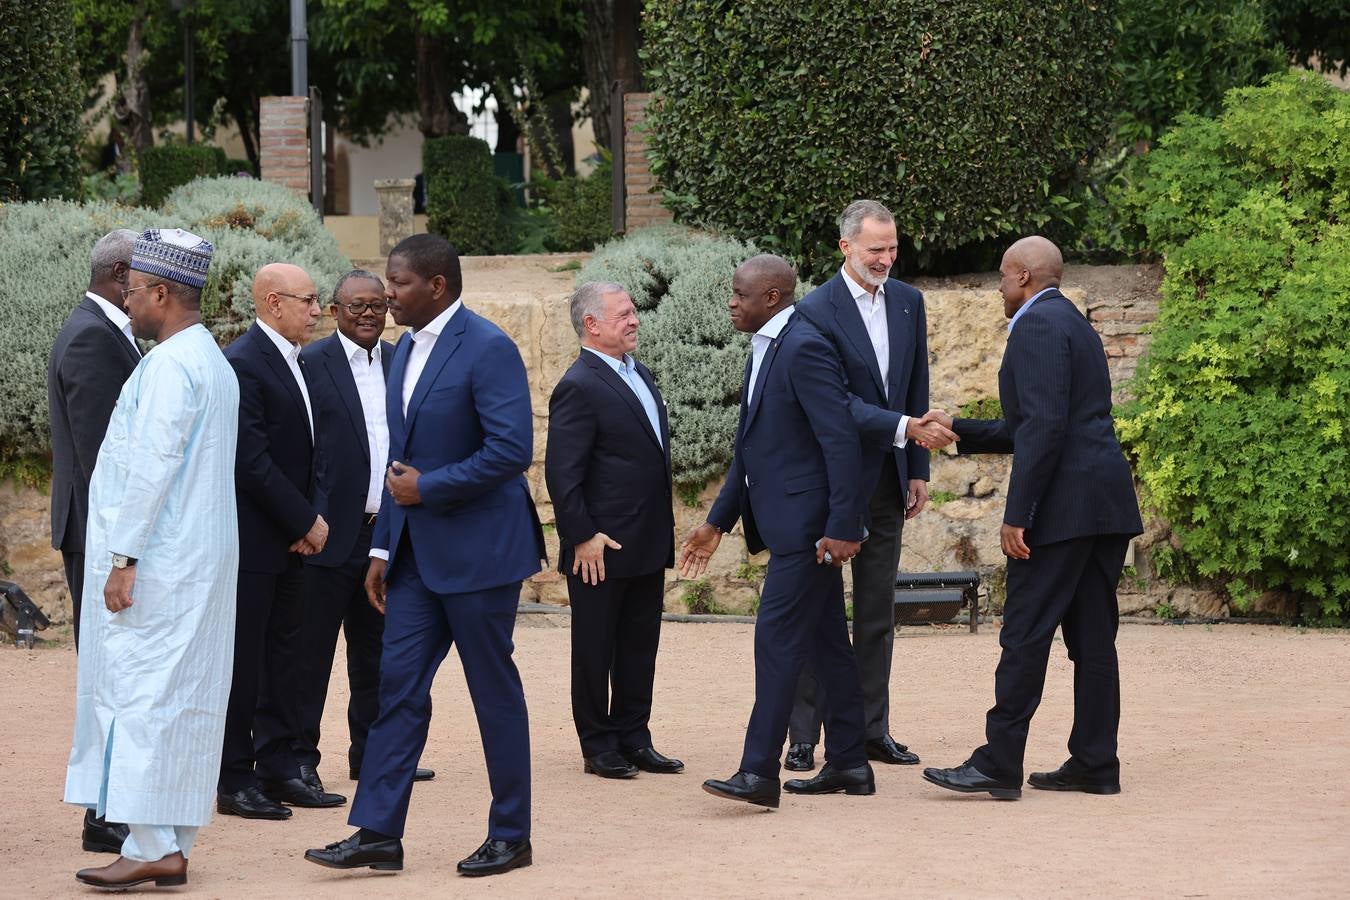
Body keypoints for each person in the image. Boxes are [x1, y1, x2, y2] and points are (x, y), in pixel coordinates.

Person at [304, 234, 545, 877]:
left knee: (493, 693)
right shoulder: (404, 347)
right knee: (396, 691)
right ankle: (378, 833)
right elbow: (397, 460)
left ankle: (511, 834)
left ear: (435, 285)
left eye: (398, 283)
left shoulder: (488, 347)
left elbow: (510, 450)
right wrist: (383, 544)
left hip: (481, 556)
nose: (386, 295)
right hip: (412, 558)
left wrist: (428, 489)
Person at [920, 236, 1143, 800]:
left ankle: (999, 762)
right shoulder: (1073, 323)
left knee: (1024, 630)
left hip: (1062, 510)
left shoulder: (1038, 326)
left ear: (1021, 275)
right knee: (1094, 639)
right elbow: (1038, 423)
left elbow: (1043, 428)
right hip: (1102, 506)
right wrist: (959, 429)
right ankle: (1095, 761)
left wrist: (1018, 513)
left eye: (1000, 276)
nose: (997, 287)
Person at [63, 228, 240, 889]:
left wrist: (122, 557)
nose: (128, 301)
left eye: (134, 291)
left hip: (161, 563)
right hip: (193, 562)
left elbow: (152, 468)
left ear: (162, 293)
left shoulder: (171, 366)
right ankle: (168, 843)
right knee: (178, 700)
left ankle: (147, 844)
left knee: (141, 698)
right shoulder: (208, 359)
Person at [681, 254, 873, 809]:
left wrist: (842, 526)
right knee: (828, 644)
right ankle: (851, 764)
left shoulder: (805, 346)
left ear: (772, 297)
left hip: (809, 531)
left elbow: (840, 441)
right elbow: (751, 451)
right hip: (793, 524)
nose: (730, 303)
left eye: (740, 294)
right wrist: (717, 521)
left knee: (776, 641)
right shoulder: (766, 345)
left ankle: (758, 772)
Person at [785, 200, 957, 773]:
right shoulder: (812, 311)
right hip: (829, 483)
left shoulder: (909, 302)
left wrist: (917, 469)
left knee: (878, 610)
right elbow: (836, 404)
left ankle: (869, 731)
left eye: (891, 248)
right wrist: (906, 428)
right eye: (874, 249)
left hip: (889, 478)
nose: (886, 258)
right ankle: (804, 735)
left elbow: (915, 384)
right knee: (819, 609)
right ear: (845, 248)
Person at [296, 270, 434, 786]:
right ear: (334, 312)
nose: (369, 314)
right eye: (356, 306)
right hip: (330, 532)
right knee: (311, 653)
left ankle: (374, 756)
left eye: (378, 305)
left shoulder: (403, 359)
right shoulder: (312, 363)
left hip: (390, 532)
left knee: (381, 653)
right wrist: (309, 516)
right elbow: (300, 448)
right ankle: (300, 761)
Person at [218, 263, 342, 820]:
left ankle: (279, 768)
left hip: (293, 541)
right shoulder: (244, 361)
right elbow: (250, 460)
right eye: (309, 300)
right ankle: (234, 777)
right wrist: (303, 522)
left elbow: (312, 449)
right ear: (273, 302)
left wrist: (309, 520)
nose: (317, 311)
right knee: (245, 664)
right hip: (255, 544)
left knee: (285, 659)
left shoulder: (296, 359)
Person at [545, 281, 682, 780]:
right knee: (595, 647)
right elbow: (562, 472)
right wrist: (581, 535)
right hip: (598, 548)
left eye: (633, 312)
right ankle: (598, 744)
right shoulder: (578, 384)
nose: (634, 320)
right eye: (623, 314)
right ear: (592, 325)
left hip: (645, 540)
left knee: (640, 644)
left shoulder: (638, 373)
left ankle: (634, 735)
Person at [47, 228, 142, 854]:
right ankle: (103, 814)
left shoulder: (103, 330)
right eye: (142, 280)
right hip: (98, 532)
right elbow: (100, 460)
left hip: (100, 532)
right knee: (108, 673)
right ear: (119, 275)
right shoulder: (90, 337)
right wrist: (122, 549)